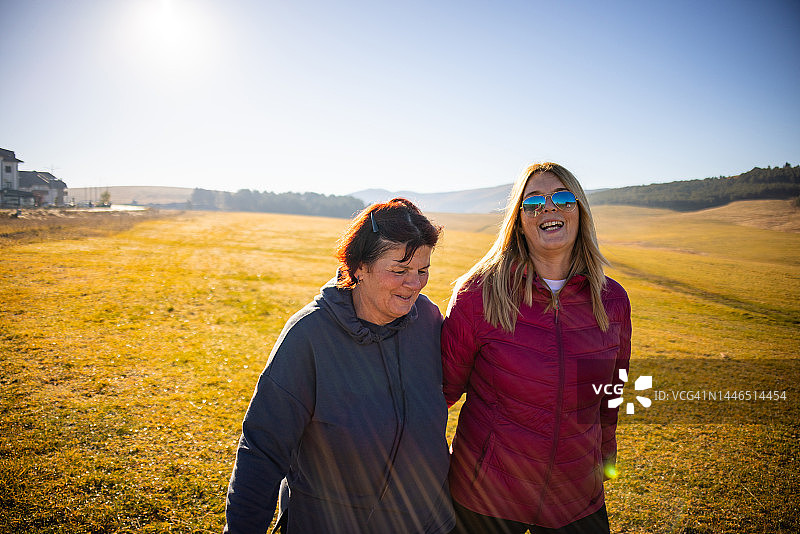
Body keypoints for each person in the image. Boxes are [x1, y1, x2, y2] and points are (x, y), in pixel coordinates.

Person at [224, 198, 455, 534]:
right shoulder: (309, 335)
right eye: (400, 270)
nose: (415, 284)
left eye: (423, 271)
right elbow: (262, 450)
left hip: (427, 523)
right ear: (359, 266)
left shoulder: (428, 319)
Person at [442, 162, 631, 534]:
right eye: (532, 203)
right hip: (487, 496)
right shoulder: (479, 294)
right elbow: (440, 392)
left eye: (562, 197)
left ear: (580, 211)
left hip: (576, 495)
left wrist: (605, 451)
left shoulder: (612, 300)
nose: (548, 208)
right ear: (519, 220)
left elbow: (610, 389)